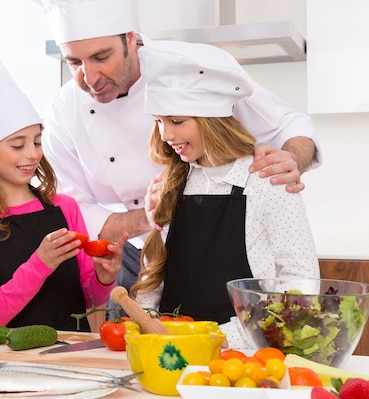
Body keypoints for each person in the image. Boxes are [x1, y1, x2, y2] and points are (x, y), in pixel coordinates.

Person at [18, 0, 321, 315]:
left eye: (101, 56)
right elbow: (71, 207)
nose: (90, 77)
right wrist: (150, 216)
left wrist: (290, 158)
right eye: (74, 63)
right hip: (130, 259)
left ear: (131, 40)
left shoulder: (191, 69)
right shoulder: (64, 109)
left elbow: (291, 126)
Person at [129, 41, 320, 329]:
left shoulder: (266, 179)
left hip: (246, 356)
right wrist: (147, 324)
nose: (166, 134)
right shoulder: (171, 184)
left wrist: (222, 338)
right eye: (158, 121)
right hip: (172, 352)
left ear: (213, 120)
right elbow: (155, 281)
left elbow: (299, 284)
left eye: (177, 121)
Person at [0, 45, 126, 331]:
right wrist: (40, 263)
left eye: (36, 141)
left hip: (72, 354)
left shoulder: (64, 207)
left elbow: (90, 299)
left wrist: (104, 277)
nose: (32, 154)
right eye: (18, 145)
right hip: (9, 363)